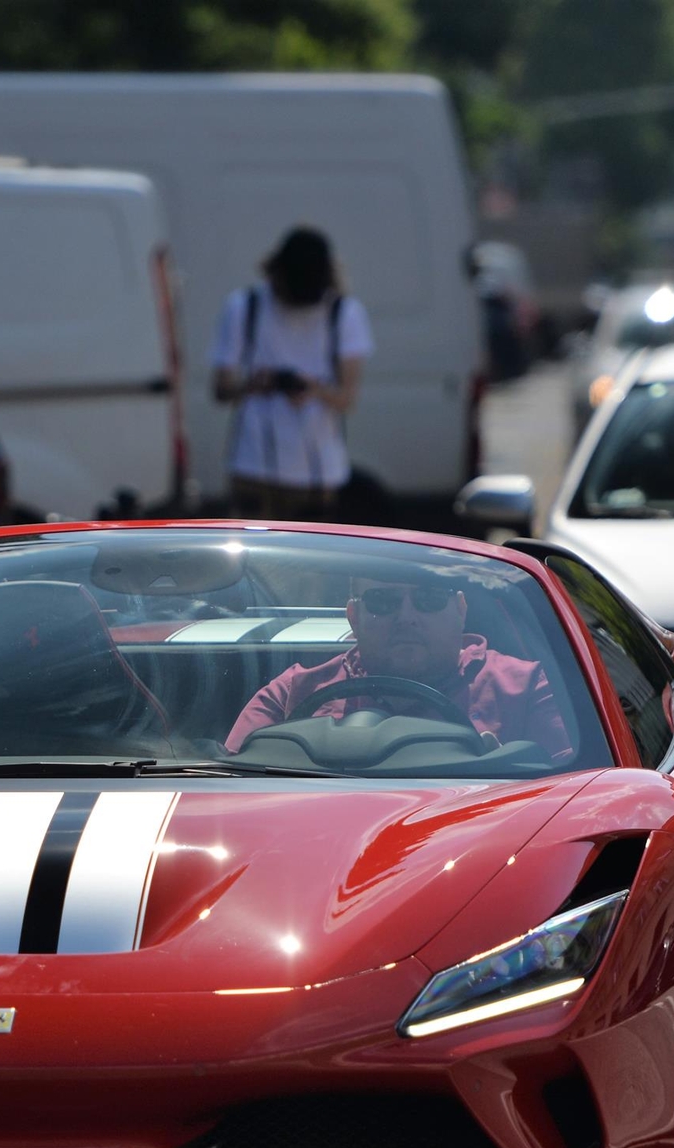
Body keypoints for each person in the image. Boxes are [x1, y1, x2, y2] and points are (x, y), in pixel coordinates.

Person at [225, 571, 571, 760]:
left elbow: (576, 793)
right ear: (353, 616)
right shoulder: (292, 693)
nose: (407, 616)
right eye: (383, 601)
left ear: (461, 611)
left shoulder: (526, 687)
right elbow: (233, 791)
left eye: (429, 599)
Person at [211, 227, 373, 519]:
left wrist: (314, 389)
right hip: (254, 466)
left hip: (316, 472)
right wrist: (257, 384)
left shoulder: (343, 313)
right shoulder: (245, 307)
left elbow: (347, 398)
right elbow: (221, 389)